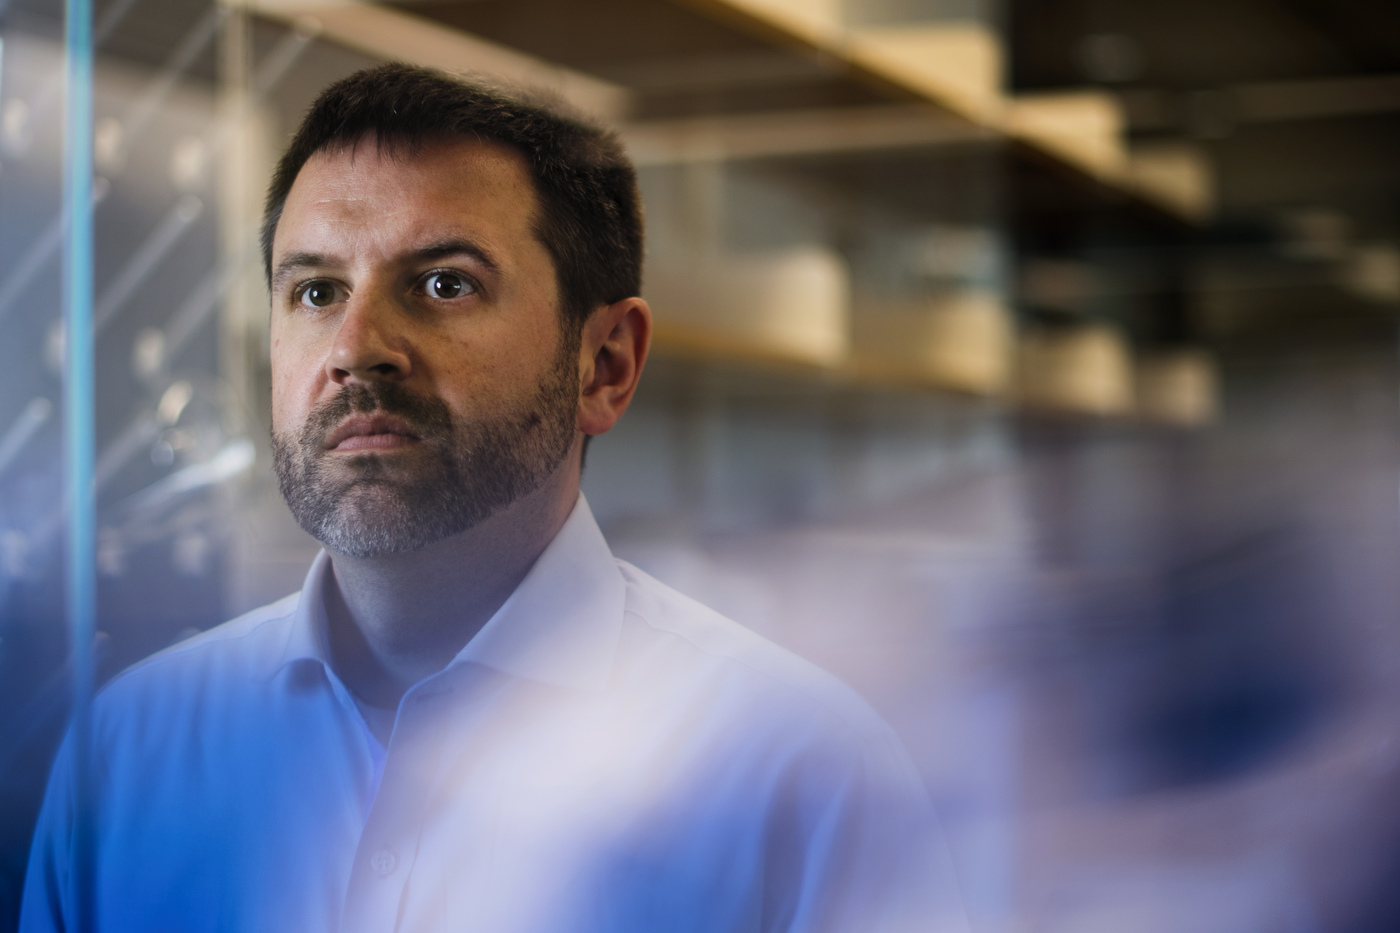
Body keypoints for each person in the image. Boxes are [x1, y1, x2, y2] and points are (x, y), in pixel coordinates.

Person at [20, 63, 965, 933]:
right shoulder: (128, 752)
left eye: (442, 283)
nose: (355, 346)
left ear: (606, 364)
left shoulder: (803, 773)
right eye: (314, 291)